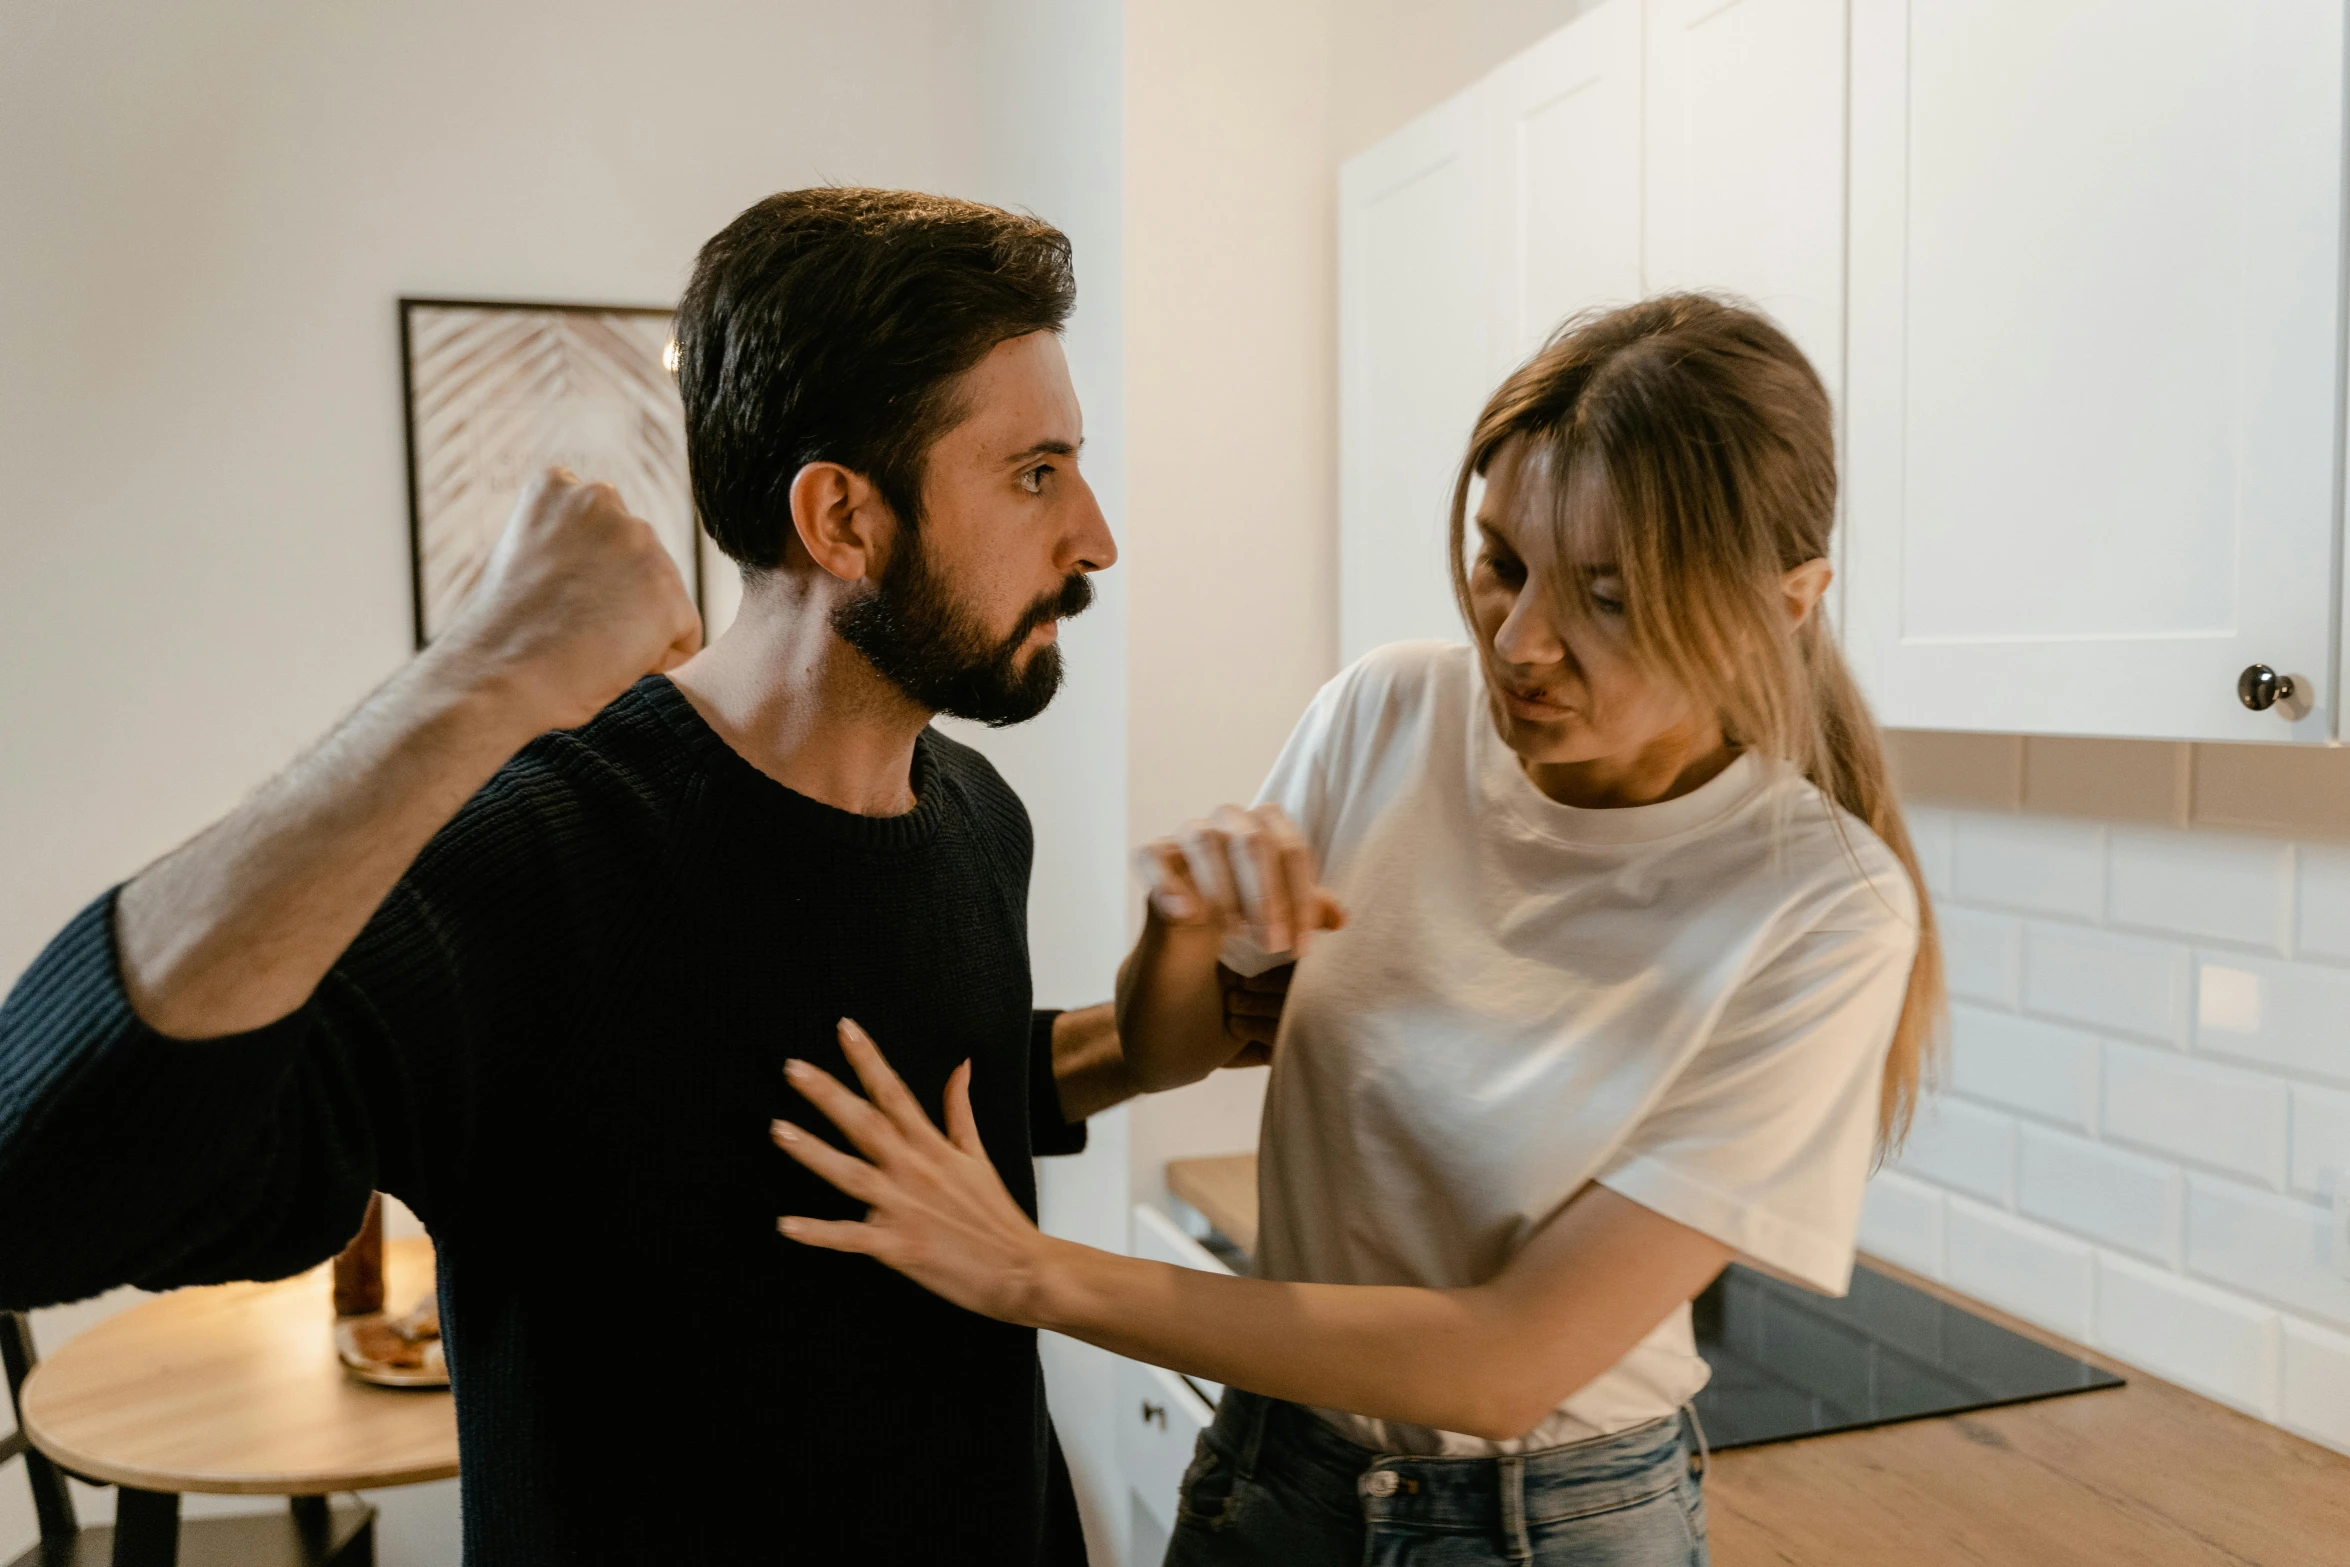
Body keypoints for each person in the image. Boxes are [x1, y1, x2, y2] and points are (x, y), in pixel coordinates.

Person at [0, 188, 1162, 1564]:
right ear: (843, 517)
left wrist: (1140, 1045)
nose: (1093, 535)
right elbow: (34, 1188)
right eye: (1034, 472)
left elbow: (808, 1105)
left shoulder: (978, 814)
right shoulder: (532, 854)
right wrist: (470, 683)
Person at [768, 295, 1947, 1566]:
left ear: (1789, 601)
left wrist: (1028, 1271)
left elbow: (1507, 1360)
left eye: (1608, 596)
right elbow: (1179, 1044)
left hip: (1546, 1525)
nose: (1520, 638)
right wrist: (1181, 933)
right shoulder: (1391, 710)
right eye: (1502, 560)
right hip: (1275, 1474)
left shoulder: (1823, 908)